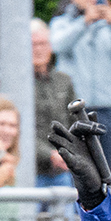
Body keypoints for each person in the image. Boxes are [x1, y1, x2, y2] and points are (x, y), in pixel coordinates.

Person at [50, 0, 111, 177]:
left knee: (108, 171)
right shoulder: (62, 22)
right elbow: (57, 46)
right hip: (74, 109)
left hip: (106, 108)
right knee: (78, 169)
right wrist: (84, 22)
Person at [32, 18, 80, 192]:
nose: (38, 49)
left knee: (66, 217)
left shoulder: (64, 81)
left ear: (51, 47)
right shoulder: (19, 84)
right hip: (30, 169)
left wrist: (67, 151)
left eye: (43, 44)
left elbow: (74, 122)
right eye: (33, 44)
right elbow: (22, 130)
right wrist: (48, 154)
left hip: (61, 167)